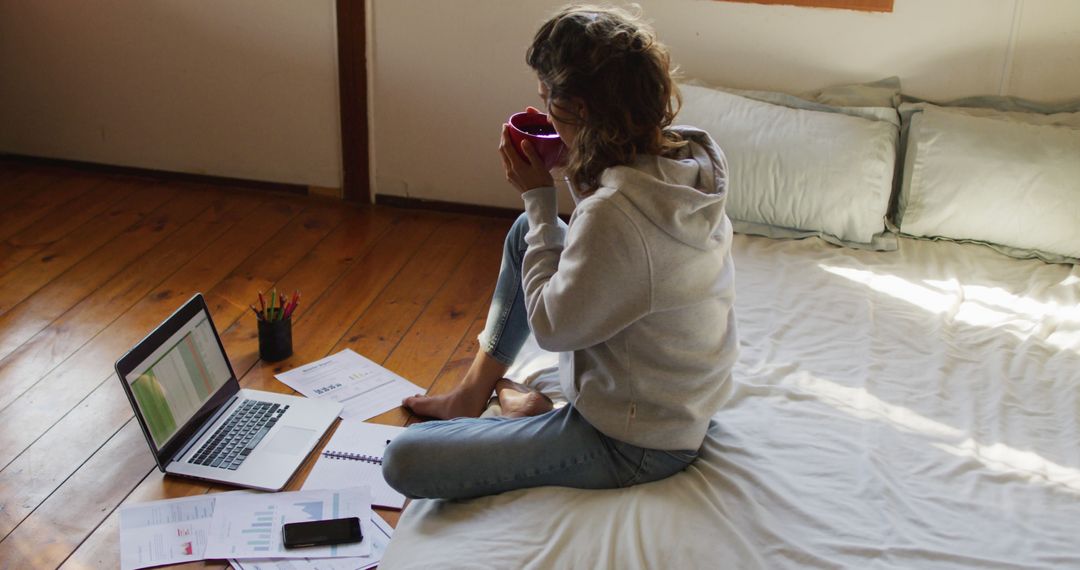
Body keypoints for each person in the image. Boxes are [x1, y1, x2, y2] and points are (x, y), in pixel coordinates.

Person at [382, 3, 737, 501]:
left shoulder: (617, 213)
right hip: (679, 402)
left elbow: (552, 326)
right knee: (524, 232)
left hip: (637, 441)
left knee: (405, 458)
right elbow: (616, 246)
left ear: (583, 111)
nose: (545, 110)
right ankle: (471, 395)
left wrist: (539, 196)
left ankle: (524, 413)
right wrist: (559, 182)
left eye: (549, 100)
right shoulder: (684, 157)